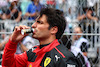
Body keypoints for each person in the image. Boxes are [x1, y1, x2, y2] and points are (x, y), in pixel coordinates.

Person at [2, 8, 79, 67]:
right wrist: (13, 42)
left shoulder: (64, 57)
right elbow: (8, 64)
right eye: (35, 22)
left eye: (39, 22)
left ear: (53, 29)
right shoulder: (32, 53)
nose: (33, 25)